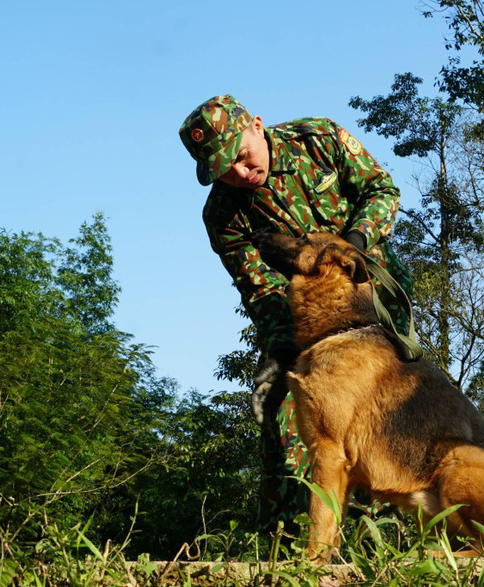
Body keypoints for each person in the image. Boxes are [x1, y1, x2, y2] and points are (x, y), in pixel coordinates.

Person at [178, 94, 414, 535]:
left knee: (386, 416)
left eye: (242, 157)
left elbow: (382, 190)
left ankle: (382, 538)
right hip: (303, 325)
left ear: (257, 126)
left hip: (373, 303)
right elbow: (260, 288)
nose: (239, 173)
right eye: (223, 169)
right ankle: (288, 547)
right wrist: (282, 348)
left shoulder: (317, 139)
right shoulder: (222, 216)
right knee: (287, 412)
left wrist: (354, 244)